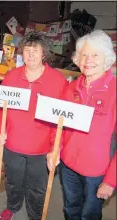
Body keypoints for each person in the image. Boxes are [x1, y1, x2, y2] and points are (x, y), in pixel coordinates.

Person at [0, 31, 68, 220]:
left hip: (41, 150)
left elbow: (62, 121)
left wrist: (55, 148)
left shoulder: (58, 81)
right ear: (21, 53)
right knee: (13, 181)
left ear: (44, 53)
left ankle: (35, 215)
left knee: (37, 187)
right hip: (12, 145)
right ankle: (13, 206)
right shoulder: (11, 77)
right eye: (27, 50)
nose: (31, 55)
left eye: (36, 50)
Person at [47, 29, 116, 220]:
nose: (88, 60)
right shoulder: (71, 88)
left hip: (97, 172)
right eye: (84, 55)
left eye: (95, 55)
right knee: (70, 208)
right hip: (68, 165)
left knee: (90, 215)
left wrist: (110, 180)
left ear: (107, 59)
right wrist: (54, 149)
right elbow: (58, 124)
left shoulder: (114, 92)